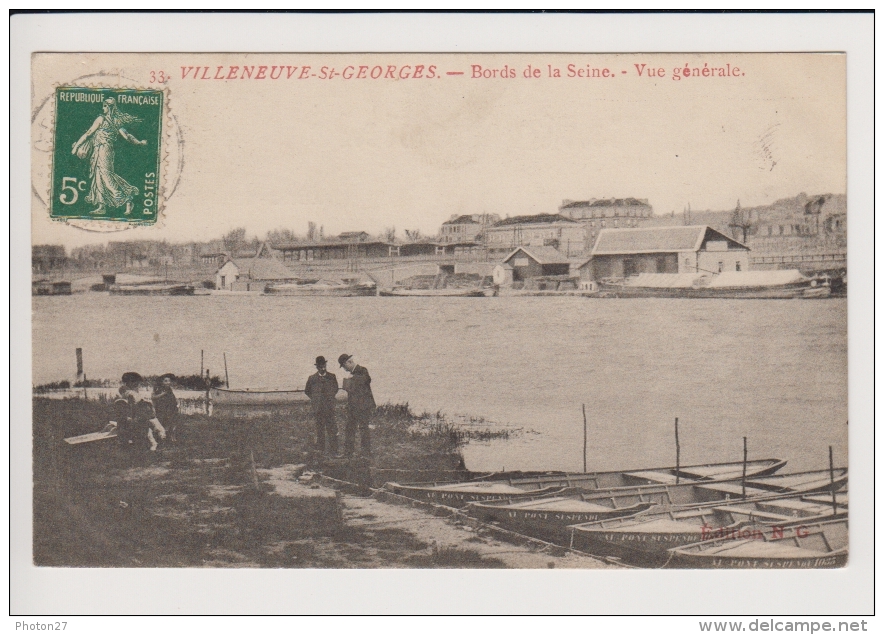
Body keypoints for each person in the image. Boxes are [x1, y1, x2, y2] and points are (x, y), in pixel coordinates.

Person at [71, 97, 147, 216]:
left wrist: (76, 147)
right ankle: (102, 206)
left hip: (105, 151)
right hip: (98, 150)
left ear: (109, 107)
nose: (103, 108)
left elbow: (89, 133)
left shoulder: (103, 119)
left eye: (105, 106)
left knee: (106, 176)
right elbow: (127, 136)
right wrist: (139, 142)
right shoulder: (113, 120)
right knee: (98, 177)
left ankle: (127, 200)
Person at [111, 372, 166, 453]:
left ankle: (156, 441)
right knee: (153, 426)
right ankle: (157, 442)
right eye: (136, 383)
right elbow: (139, 406)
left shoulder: (127, 392)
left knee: (153, 426)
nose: (138, 385)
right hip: (136, 418)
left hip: (133, 417)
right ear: (131, 382)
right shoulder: (131, 393)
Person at [338, 354, 376, 457]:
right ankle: (348, 453)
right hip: (353, 407)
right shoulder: (351, 374)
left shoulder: (362, 370)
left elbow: (366, 380)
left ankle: (365, 453)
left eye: (344, 366)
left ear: (348, 362)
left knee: (363, 428)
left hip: (363, 406)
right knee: (350, 428)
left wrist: (352, 378)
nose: (345, 369)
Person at [304, 356, 339, 456]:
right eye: (320, 366)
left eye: (324, 365)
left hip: (329, 408)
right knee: (320, 430)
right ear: (317, 367)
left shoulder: (332, 377)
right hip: (318, 409)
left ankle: (334, 451)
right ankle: (321, 450)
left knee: (332, 429)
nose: (322, 368)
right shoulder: (312, 379)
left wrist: (330, 398)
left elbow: (335, 389)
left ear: (325, 365)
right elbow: (307, 391)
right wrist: (315, 399)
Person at [151, 373, 179, 444]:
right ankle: (160, 438)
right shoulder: (158, 389)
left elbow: (172, 399)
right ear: (162, 382)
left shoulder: (169, 390)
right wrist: (162, 394)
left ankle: (171, 437)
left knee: (171, 422)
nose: (168, 383)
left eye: (169, 381)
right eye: (166, 381)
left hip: (170, 409)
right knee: (161, 423)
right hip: (161, 409)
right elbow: (153, 397)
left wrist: (176, 402)